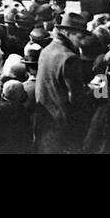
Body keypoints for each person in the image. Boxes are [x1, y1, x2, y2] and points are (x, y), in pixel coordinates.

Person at [33, 12, 90, 154]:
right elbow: (76, 98)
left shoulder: (46, 50)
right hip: (63, 126)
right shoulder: (69, 58)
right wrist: (95, 91)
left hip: (44, 121)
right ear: (66, 33)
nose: (82, 42)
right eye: (79, 37)